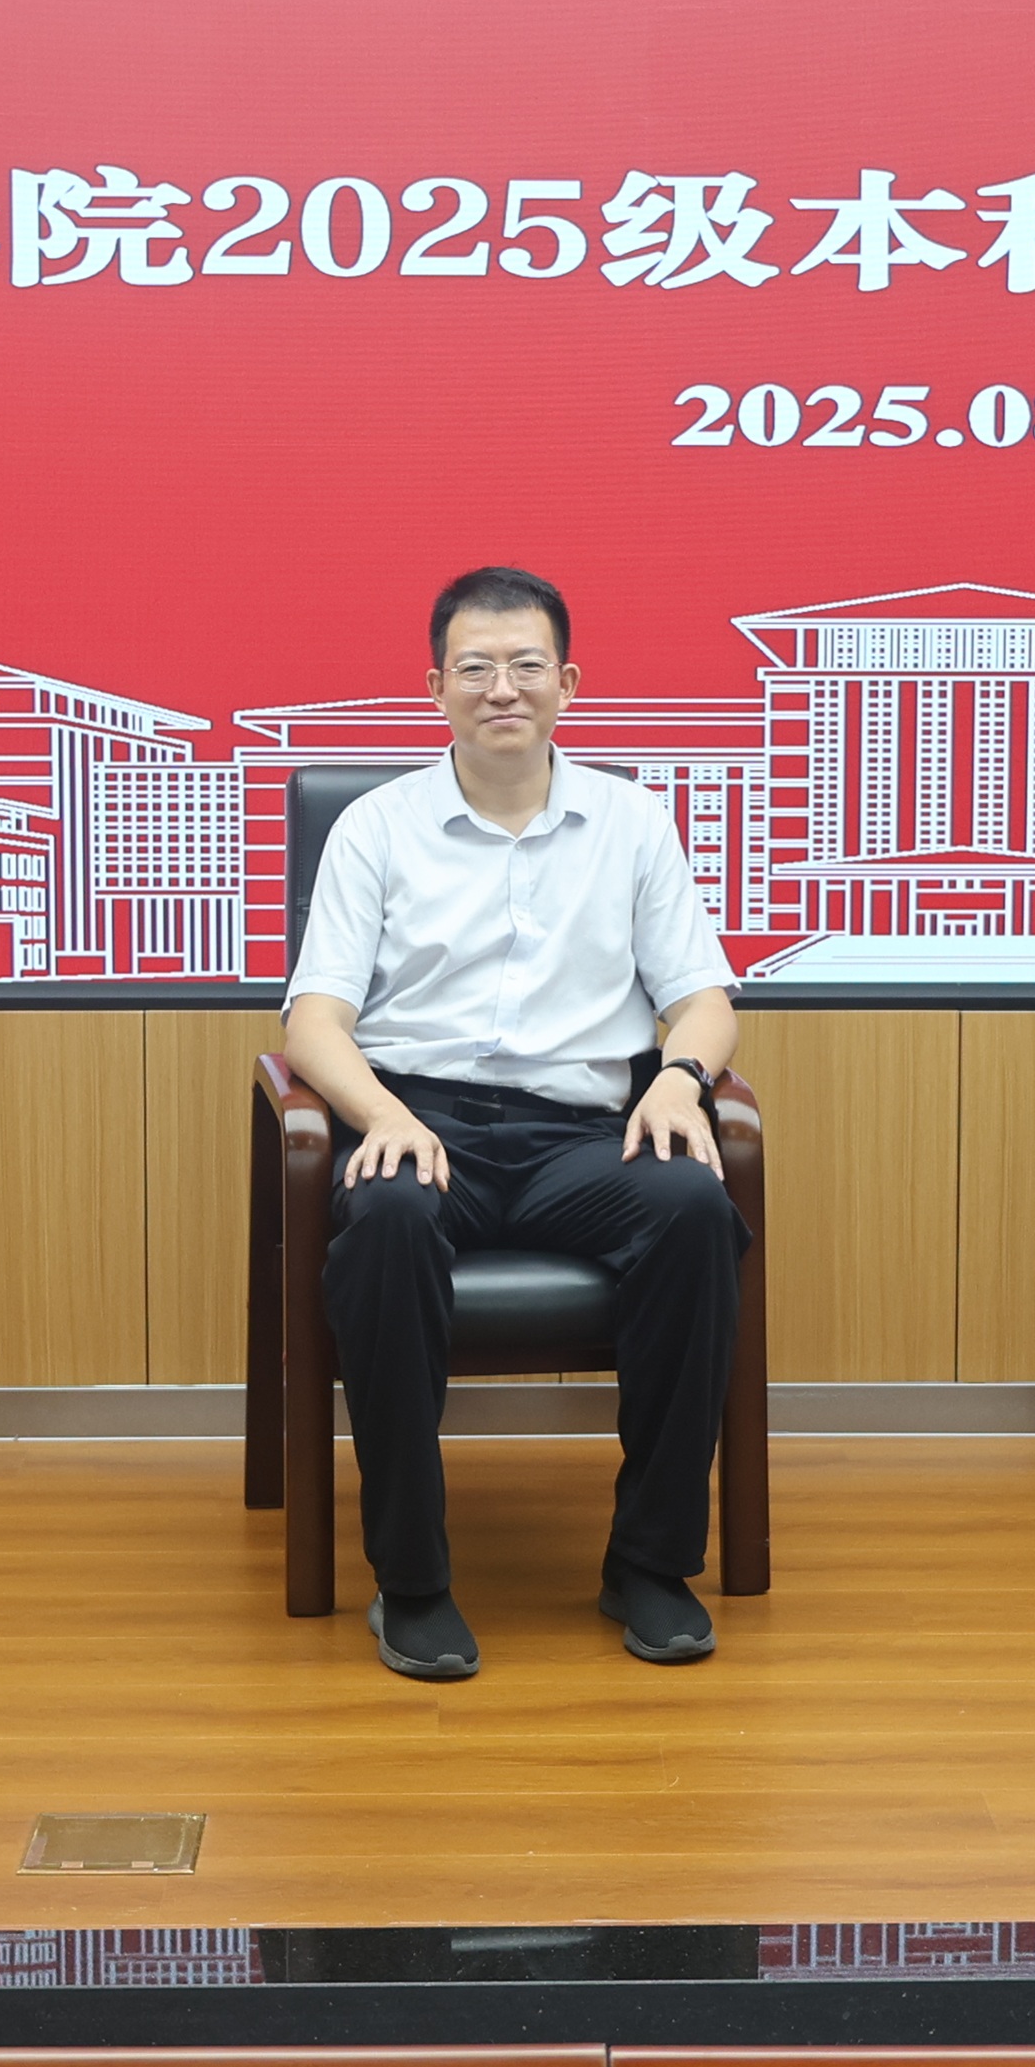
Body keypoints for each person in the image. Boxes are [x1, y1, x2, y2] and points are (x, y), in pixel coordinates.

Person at [278, 566, 743, 1683]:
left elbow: (704, 997)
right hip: (419, 1119)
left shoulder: (631, 823)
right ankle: (412, 1581)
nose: (502, 688)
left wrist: (681, 1078)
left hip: (583, 1136)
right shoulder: (376, 828)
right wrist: (383, 1116)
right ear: (434, 686)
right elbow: (313, 1021)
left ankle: (650, 1563)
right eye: (475, 667)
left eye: (527, 665)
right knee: (388, 1221)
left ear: (568, 683)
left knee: (692, 1209)